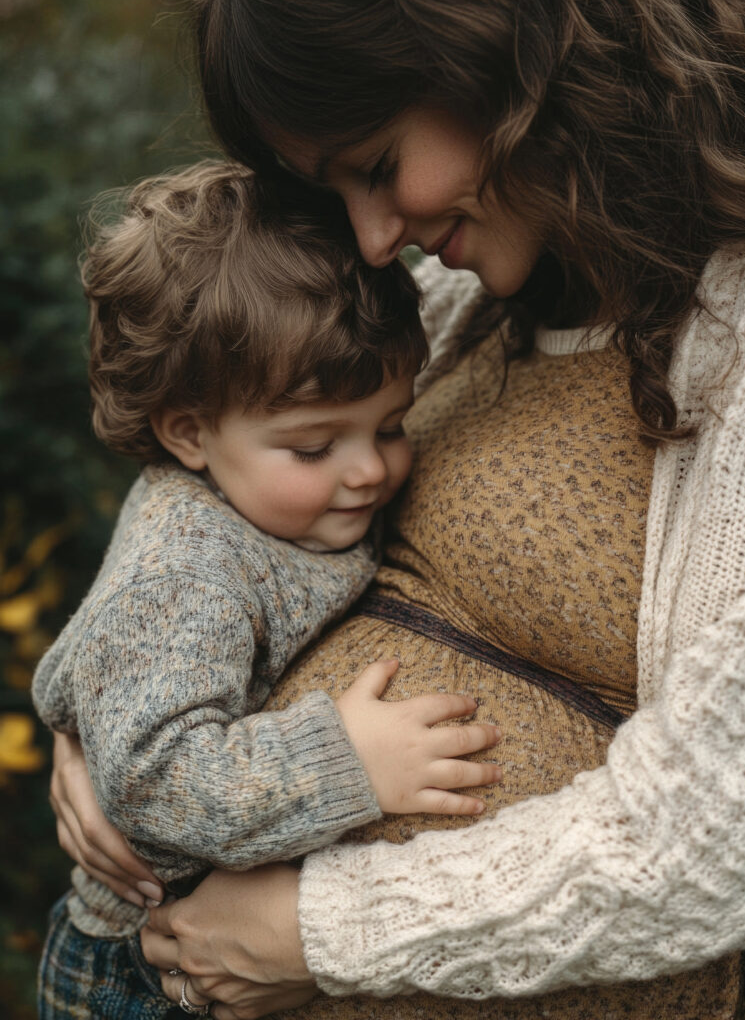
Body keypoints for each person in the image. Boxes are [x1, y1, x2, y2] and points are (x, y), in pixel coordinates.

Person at [47, 0, 745, 1018]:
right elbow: (226, 467)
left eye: (379, 164)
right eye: (336, 189)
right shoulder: (465, 294)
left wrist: (321, 930)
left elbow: (734, 825)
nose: (376, 241)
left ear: (511, 58)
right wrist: (106, 734)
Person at [31, 159, 504, 1020]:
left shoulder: (257, 484)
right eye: (315, 447)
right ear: (188, 435)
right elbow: (152, 781)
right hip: (151, 972)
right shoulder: (187, 573)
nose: (368, 469)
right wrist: (347, 762)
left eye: (391, 425)